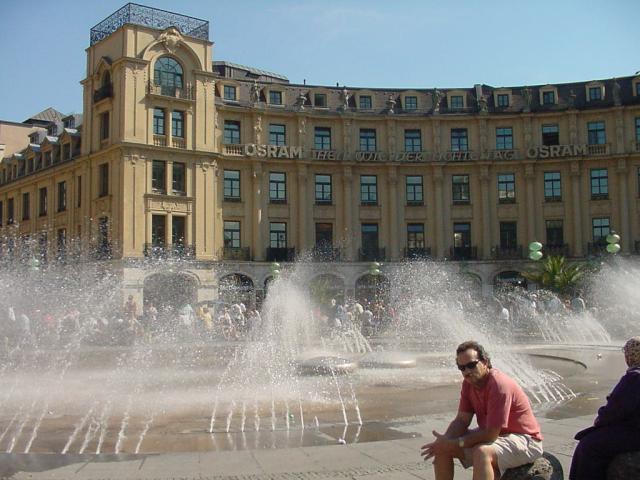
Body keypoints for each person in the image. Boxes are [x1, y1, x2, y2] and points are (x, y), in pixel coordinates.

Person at [421, 341, 543, 480]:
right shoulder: (468, 384)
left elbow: (491, 434)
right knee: (443, 449)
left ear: (485, 362)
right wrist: (445, 441)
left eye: (471, 365)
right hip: (498, 438)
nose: (467, 371)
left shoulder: (498, 385)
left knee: (482, 452)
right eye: (462, 368)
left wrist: (457, 442)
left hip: (525, 440)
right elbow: (462, 420)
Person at [569, 336, 640, 480]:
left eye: (626, 353)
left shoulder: (634, 377)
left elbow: (614, 411)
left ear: (631, 355)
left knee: (589, 446)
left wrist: (600, 419)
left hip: (634, 432)